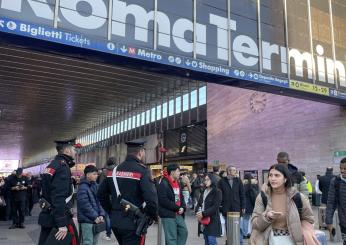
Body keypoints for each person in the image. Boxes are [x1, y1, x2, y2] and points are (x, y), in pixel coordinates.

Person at [97, 139, 158, 245]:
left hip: (116, 222)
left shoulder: (114, 171)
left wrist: (112, 211)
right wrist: (151, 216)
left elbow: (100, 194)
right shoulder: (143, 171)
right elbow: (151, 200)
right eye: (144, 151)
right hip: (134, 222)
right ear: (140, 152)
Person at [250, 164, 315, 245]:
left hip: (293, 240)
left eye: (277, 175)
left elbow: (309, 219)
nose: (273, 178)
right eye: (270, 175)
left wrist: (304, 230)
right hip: (268, 240)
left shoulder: (297, 197)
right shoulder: (263, 197)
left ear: (285, 179)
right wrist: (267, 217)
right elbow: (254, 223)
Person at [38, 139, 81, 245]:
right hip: (58, 217)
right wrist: (61, 223)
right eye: (74, 149)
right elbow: (58, 196)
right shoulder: (62, 167)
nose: (75, 152)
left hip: (49, 215)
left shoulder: (52, 165)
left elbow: (48, 190)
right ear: (67, 150)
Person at [157, 163, 188, 245]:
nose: (179, 173)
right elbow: (163, 200)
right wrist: (177, 207)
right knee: (171, 238)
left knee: (183, 232)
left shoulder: (178, 183)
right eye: (178, 171)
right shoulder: (163, 183)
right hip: (168, 214)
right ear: (172, 172)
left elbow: (181, 197)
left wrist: (183, 207)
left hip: (178, 213)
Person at [77, 165, 106, 245]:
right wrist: (95, 216)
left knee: (94, 242)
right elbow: (84, 205)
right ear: (87, 174)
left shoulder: (95, 185)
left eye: (97, 174)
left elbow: (100, 202)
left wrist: (101, 215)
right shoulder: (82, 187)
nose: (96, 176)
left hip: (96, 219)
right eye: (94, 174)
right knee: (88, 242)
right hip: (87, 220)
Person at [218, 165, 245, 245]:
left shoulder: (238, 181)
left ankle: (240, 242)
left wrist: (243, 206)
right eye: (231, 170)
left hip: (237, 207)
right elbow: (219, 194)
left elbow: (242, 194)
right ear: (228, 171)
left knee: (238, 227)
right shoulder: (222, 181)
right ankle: (230, 242)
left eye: (234, 170)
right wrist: (220, 206)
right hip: (226, 208)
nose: (233, 172)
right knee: (228, 227)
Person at [195, 174, 222, 245]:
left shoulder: (217, 191)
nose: (205, 181)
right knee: (206, 239)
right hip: (203, 219)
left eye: (208, 180)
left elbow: (215, 207)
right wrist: (197, 211)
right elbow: (199, 203)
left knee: (211, 239)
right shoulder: (204, 190)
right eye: (205, 180)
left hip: (212, 219)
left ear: (213, 181)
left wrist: (203, 214)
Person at [325, 157, 346, 245]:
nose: (342, 171)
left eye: (345, 169)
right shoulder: (336, 182)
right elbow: (331, 203)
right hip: (344, 223)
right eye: (341, 168)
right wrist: (329, 221)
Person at [101, 157, 117, 241]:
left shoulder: (105, 172)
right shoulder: (118, 171)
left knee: (107, 216)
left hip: (107, 197)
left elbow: (101, 189)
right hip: (115, 197)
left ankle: (108, 234)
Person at [243, 173, 259, 238]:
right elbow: (255, 195)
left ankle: (244, 234)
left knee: (245, 220)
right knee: (254, 219)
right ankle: (254, 233)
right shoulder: (255, 184)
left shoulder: (243, 185)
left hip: (246, 205)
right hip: (254, 204)